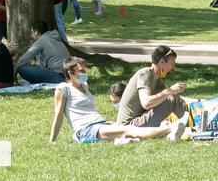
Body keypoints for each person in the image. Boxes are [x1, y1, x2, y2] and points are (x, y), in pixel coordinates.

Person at [50, 57, 185, 143]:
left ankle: (167, 134)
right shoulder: (63, 88)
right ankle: (170, 130)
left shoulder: (85, 87)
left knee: (125, 131)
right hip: (86, 129)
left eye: (85, 70)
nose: (85, 73)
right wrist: (52, 141)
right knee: (129, 130)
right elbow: (58, 115)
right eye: (81, 71)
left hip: (100, 123)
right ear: (70, 73)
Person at [117, 45, 189, 127]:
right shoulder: (144, 75)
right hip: (129, 125)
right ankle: (189, 126)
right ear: (162, 62)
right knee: (172, 99)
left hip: (140, 120)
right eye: (172, 64)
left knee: (173, 98)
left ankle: (190, 123)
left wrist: (195, 101)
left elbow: (169, 97)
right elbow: (146, 103)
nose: (173, 68)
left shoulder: (158, 80)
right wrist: (170, 90)